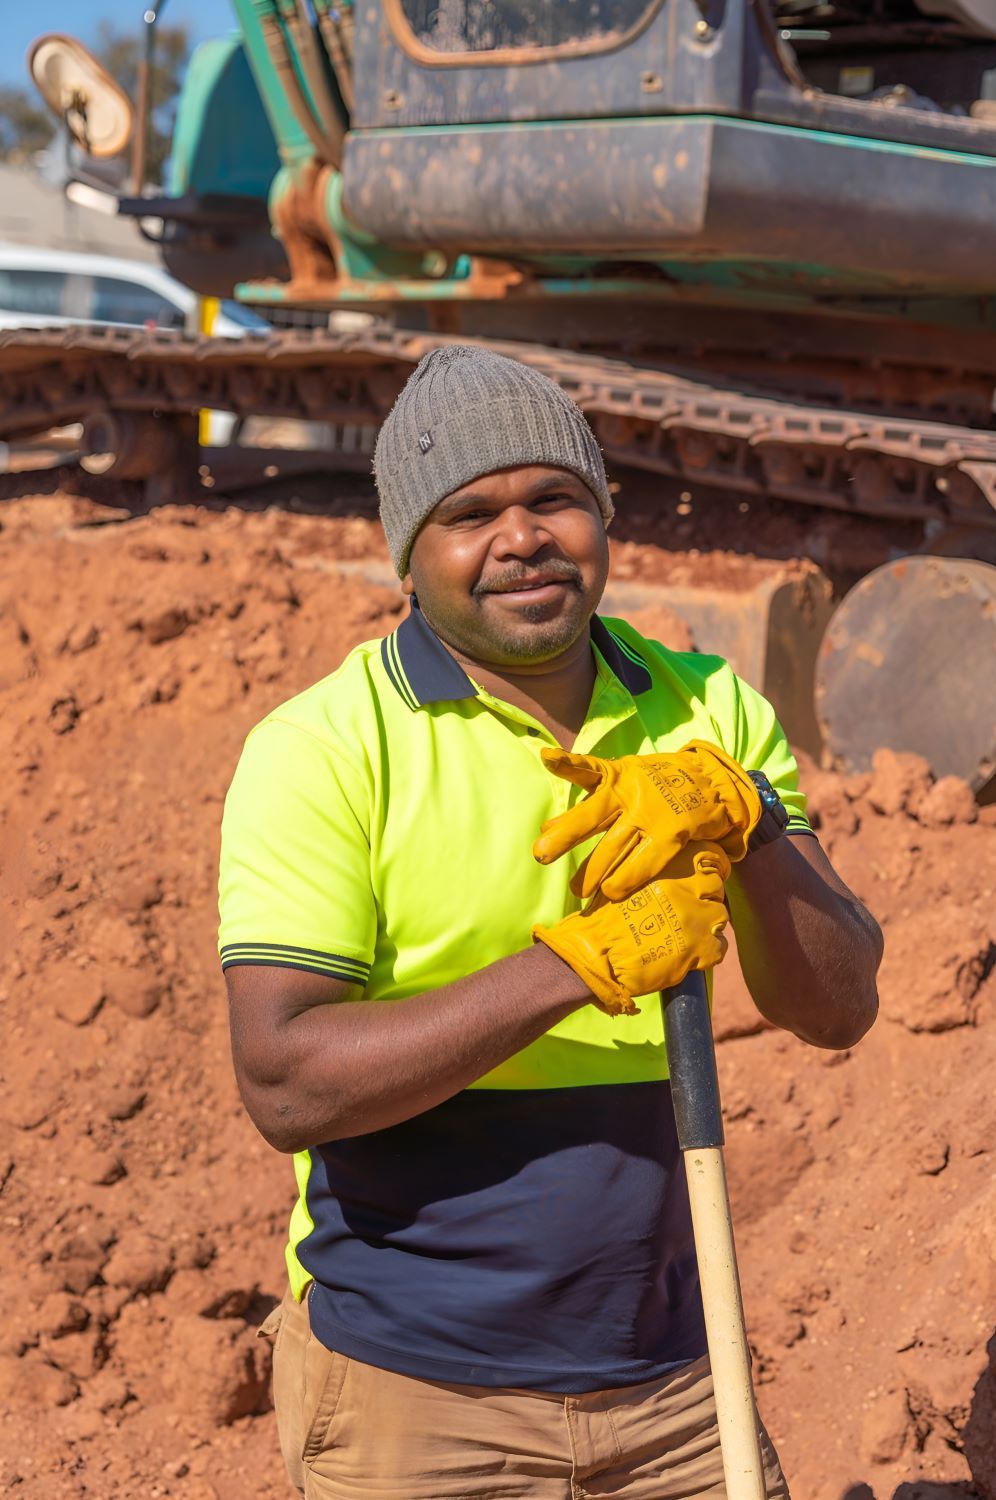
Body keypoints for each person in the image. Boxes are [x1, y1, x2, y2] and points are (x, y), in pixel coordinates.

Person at [218, 346, 882, 1499]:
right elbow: (284, 1082)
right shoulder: (325, 749)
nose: (520, 537)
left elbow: (837, 1006)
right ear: (406, 560)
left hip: (680, 1385)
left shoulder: (708, 710)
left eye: (553, 499)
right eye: (470, 513)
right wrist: (574, 966)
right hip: (413, 1406)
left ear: (602, 519)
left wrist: (749, 817)